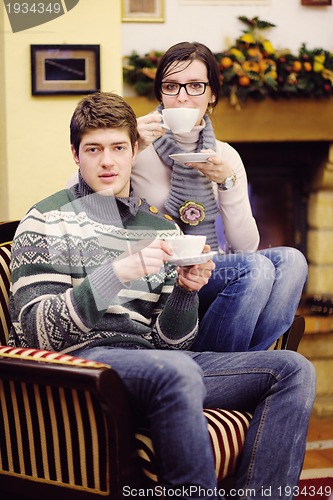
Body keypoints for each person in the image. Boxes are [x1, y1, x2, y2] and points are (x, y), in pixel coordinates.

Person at [9, 92, 316, 499]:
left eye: (118, 147)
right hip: (86, 364)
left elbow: (171, 342)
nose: (107, 161)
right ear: (75, 154)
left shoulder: (162, 229)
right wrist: (119, 271)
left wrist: (187, 292)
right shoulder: (47, 219)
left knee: (293, 369)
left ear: (134, 150)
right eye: (93, 149)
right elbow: (34, 330)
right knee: (178, 369)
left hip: (160, 365)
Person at [131, 41, 308, 352]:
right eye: (171, 86)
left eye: (196, 86)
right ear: (160, 92)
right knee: (257, 269)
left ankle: (236, 361)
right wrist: (129, 147)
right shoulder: (136, 144)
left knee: (293, 261)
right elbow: (82, 192)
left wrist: (227, 183)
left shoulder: (224, 155)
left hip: (212, 272)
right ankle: (230, 367)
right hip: (160, 276)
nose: (182, 96)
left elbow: (246, 247)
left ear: (212, 94)